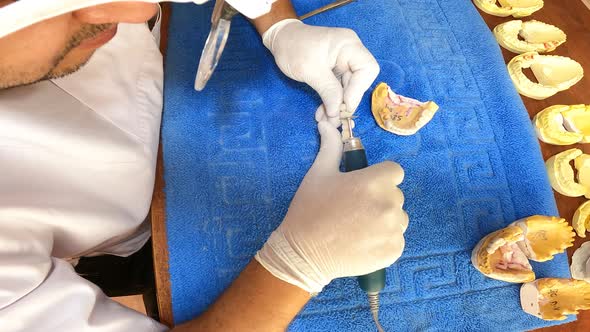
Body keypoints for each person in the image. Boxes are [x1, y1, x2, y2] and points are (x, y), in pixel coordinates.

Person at [0, 0, 408, 331]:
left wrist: (277, 23)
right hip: (133, 230)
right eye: (66, 8)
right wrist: (297, 265)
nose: (139, 11)